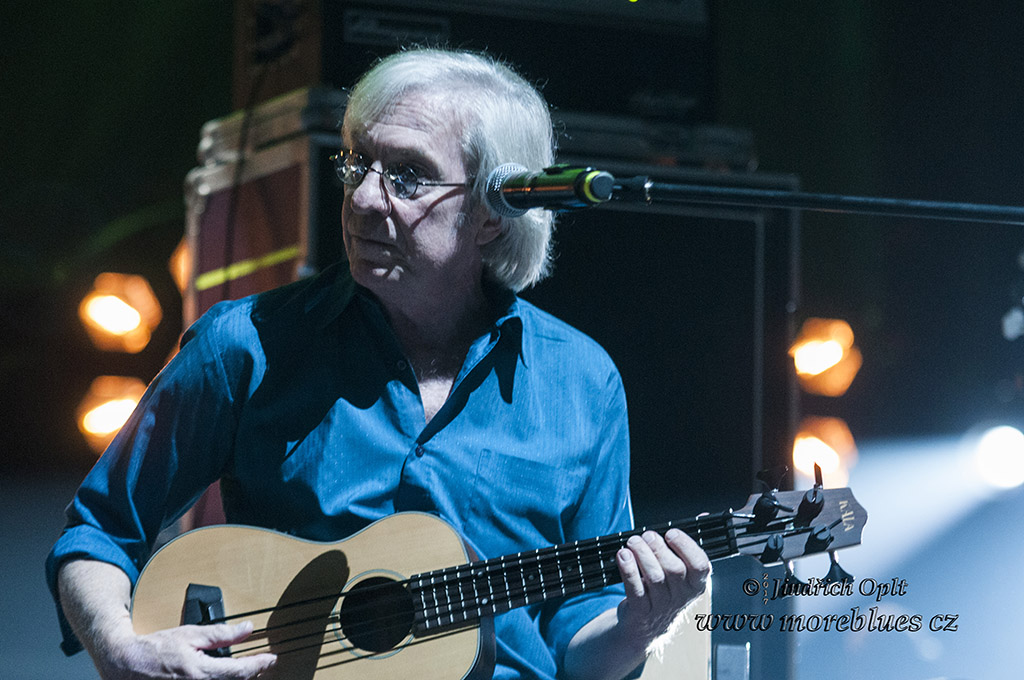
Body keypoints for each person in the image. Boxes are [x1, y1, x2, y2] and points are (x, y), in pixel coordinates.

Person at [46, 48, 710, 680]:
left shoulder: (582, 382)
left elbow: (576, 648)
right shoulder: (244, 345)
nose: (364, 199)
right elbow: (98, 532)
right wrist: (122, 651)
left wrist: (640, 624)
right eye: (357, 164)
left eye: (407, 175)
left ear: (492, 213)